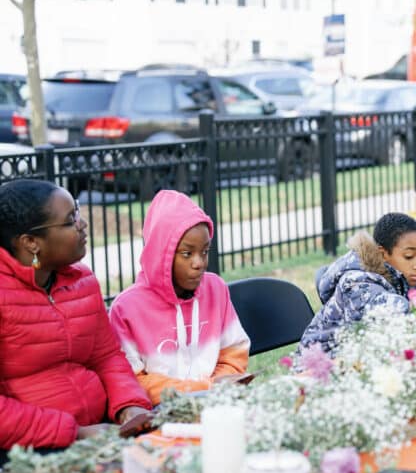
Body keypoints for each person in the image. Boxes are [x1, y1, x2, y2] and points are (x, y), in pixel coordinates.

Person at [0, 180, 151, 457]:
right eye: (70, 220)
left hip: (102, 430)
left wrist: (129, 404)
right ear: (31, 242)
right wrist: (74, 433)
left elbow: (105, 356)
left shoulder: (82, 281)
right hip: (28, 452)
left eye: (77, 213)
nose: (82, 224)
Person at [109, 190, 251, 404]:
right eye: (187, 253)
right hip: (160, 411)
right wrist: (202, 389)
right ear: (160, 254)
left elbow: (234, 353)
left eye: (205, 251)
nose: (199, 262)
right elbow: (133, 380)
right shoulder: (126, 308)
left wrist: (215, 390)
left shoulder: (216, 289)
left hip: (219, 402)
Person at [301, 213, 416, 353]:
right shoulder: (355, 283)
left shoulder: (405, 276)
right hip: (320, 366)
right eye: (409, 256)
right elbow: (396, 312)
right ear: (383, 253)